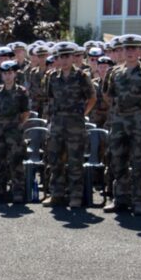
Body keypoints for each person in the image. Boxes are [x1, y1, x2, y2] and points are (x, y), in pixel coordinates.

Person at [104, 34, 141, 215]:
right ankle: (120, 198)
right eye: (126, 49)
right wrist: (119, 111)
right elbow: (108, 95)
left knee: (138, 163)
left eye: (133, 49)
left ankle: (138, 200)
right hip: (119, 122)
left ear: (139, 51)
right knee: (118, 161)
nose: (129, 52)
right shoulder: (115, 72)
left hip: (139, 123)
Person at [44, 42, 97, 208]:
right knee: (55, 160)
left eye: (67, 56)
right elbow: (50, 98)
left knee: (75, 161)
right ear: (57, 58)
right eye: (61, 57)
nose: (64, 60)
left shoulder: (82, 77)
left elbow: (92, 98)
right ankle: (57, 194)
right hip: (58, 123)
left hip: (75, 125)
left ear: (73, 57)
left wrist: (82, 114)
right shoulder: (52, 77)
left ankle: (75, 195)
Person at [0, 59, 31, 204]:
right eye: (5, 73)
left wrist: (16, 125)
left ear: (15, 74)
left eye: (10, 73)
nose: (7, 76)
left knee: (16, 162)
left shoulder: (21, 92)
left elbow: (25, 113)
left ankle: (18, 192)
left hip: (14, 132)